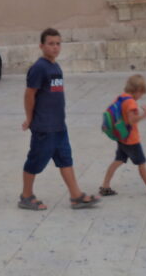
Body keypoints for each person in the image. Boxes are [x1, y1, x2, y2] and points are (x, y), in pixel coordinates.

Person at [19, 28, 99, 210]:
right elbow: (29, 95)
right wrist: (29, 119)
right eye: (51, 44)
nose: (55, 47)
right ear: (42, 46)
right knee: (35, 161)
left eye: (58, 44)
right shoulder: (39, 68)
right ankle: (26, 196)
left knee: (65, 159)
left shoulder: (55, 66)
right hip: (44, 127)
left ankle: (76, 196)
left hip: (59, 126)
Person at [98, 74, 146, 197]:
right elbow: (131, 120)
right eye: (141, 94)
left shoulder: (121, 97)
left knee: (118, 161)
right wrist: (143, 115)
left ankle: (105, 186)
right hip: (131, 140)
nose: (140, 97)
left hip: (122, 138)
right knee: (141, 163)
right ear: (138, 91)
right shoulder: (131, 102)